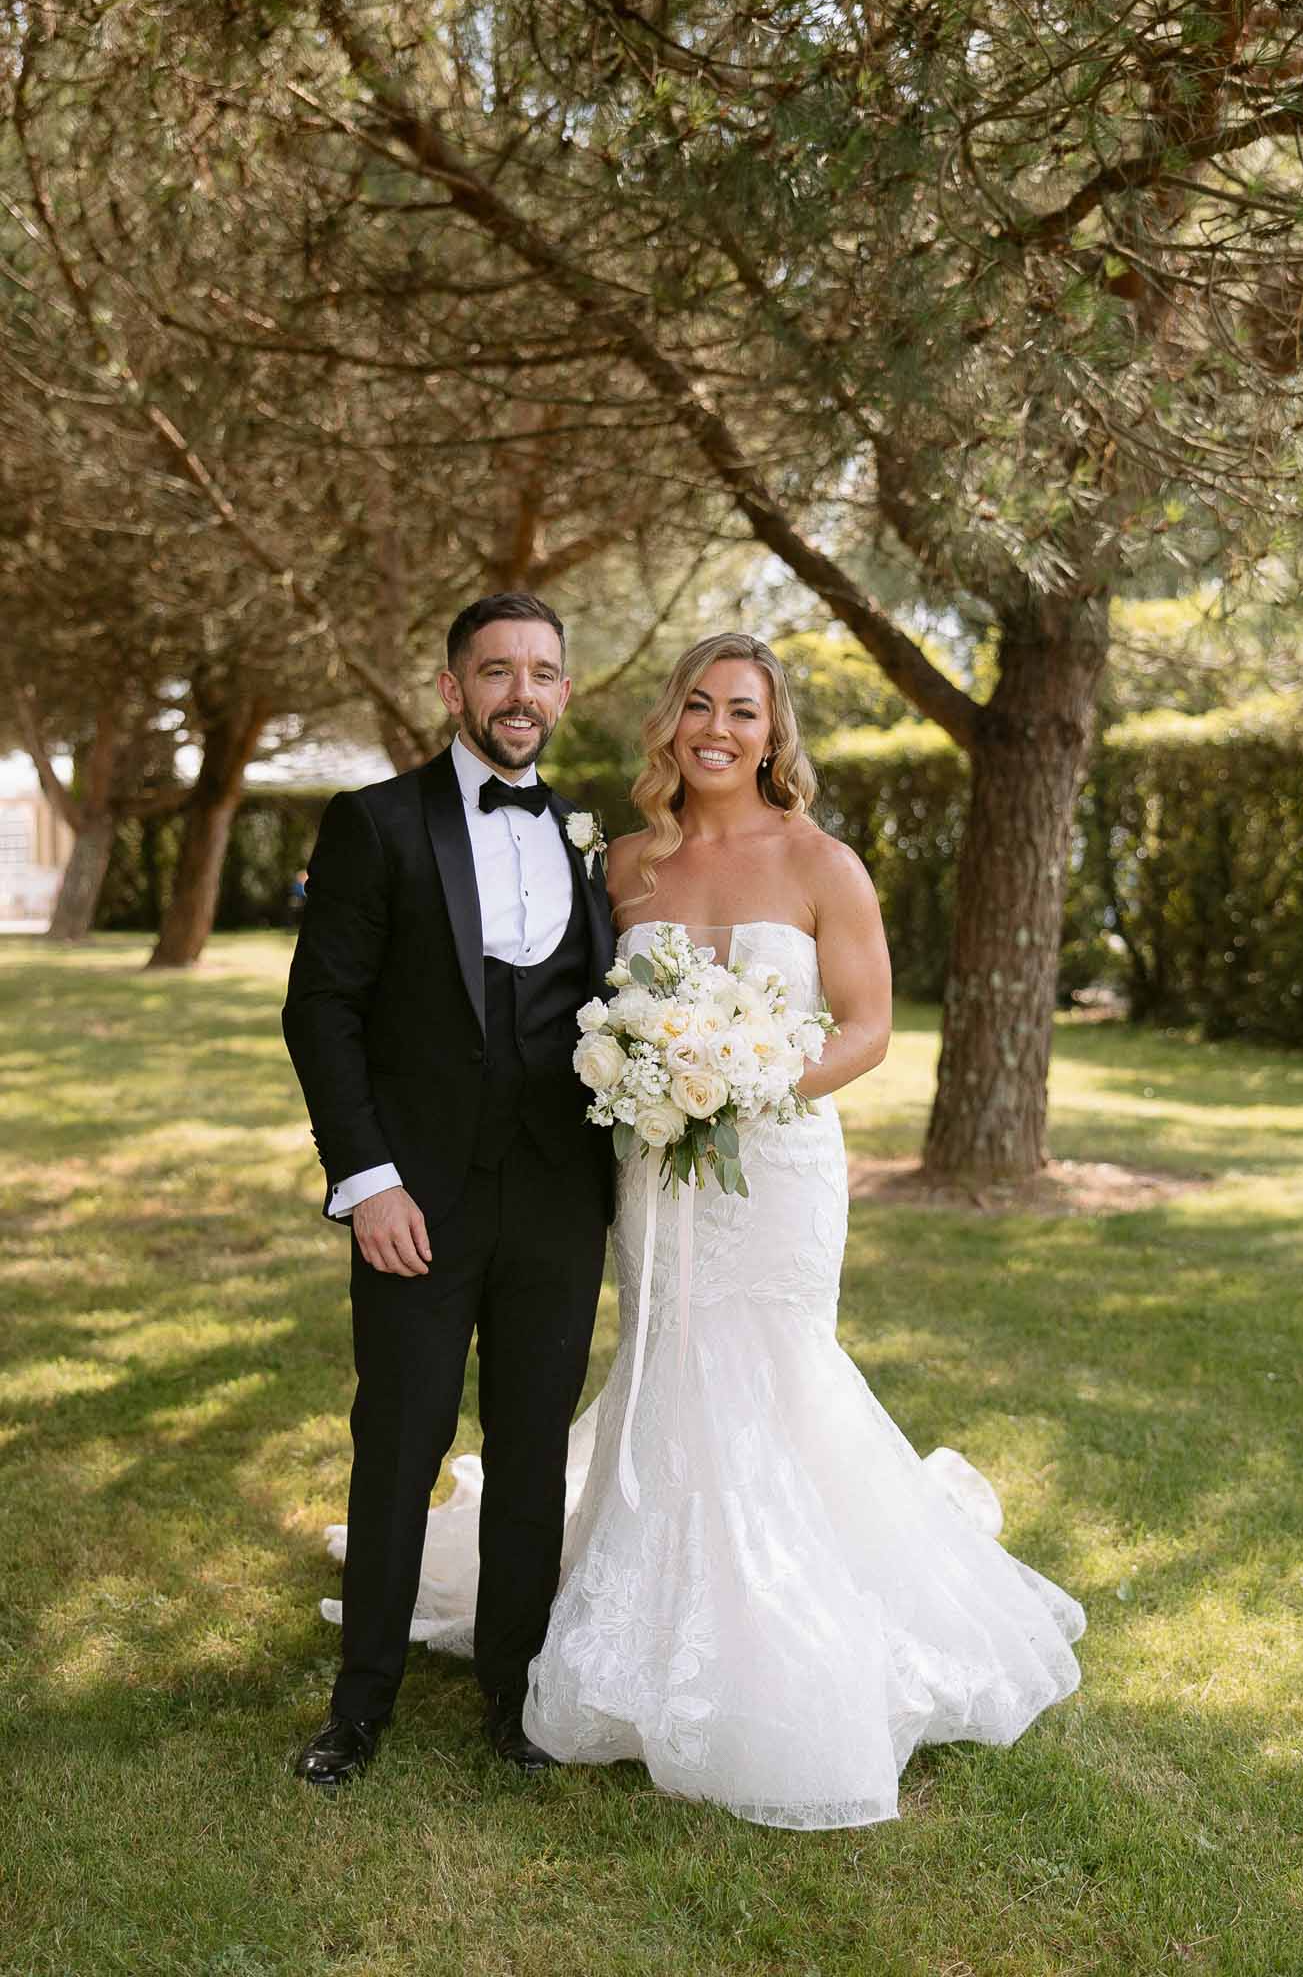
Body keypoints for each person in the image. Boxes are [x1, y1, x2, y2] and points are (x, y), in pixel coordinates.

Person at [352, 631, 1085, 1829]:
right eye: (698, 703)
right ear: (670, 722)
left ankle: (785, 1625)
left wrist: (747, 1076)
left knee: (774, 1371)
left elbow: (866, 1027)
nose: (717, 728)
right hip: (652, 1169)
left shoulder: (821, 862)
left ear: (772, 732)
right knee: (668, 1360)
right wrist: (649, 1079)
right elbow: (565, 1010)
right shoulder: (624, 866)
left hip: (777, 1168)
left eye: (742, 710)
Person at [282, 591, 616, 1787]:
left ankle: (513, 1696)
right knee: (401, 1439)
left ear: (563, 691)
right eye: (496, 672)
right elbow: (321, 1009)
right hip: (414, 1199)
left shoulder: (590, 835)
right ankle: (358, 1705)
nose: (520, 692)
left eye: (541, 672)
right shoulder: (375, 822)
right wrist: (367, 1179)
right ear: (452, 688)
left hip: (558, 1196)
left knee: (532, 1450)